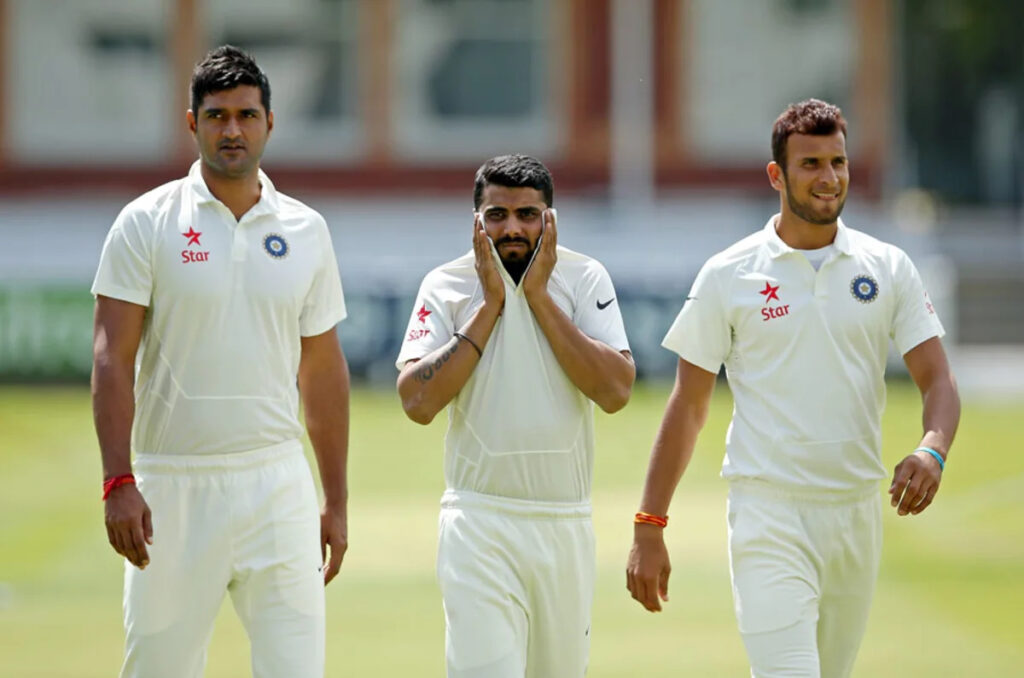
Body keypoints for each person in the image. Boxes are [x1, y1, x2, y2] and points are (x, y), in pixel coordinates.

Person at [625, 99, 961, 677]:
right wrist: (649, 524)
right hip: (768, 512)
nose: (829, 178)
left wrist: (932, 448)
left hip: (856, 511)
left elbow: (938, 380)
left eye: (838, 162)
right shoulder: (729, 274)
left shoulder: (887, 267)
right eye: (810, 164)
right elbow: (688, 406)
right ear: (777, 175)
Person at [91, 45, 350, 678]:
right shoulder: (145, 222)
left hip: (277, 482)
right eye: (216, 116)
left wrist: (335, 500)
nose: (231, 129)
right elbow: (110, 357)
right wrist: (118, 480)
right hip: (172, 487)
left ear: (269, 122)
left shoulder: (307, 229)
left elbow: (322, 369)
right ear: (192, 123)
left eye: (245, 114)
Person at [396, 154, 635, 677]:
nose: (512, 228)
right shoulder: (449, 284)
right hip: (478, 521)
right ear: (476, 220)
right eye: (497, 215)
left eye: (528, 214)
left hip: (563, 521)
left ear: (550, 219)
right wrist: (490, 305)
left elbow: (615, 391)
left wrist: (539, 298)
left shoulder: (583, 276)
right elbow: (417, 401)